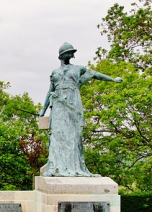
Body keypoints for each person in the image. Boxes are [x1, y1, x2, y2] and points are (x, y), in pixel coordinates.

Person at [38, 42, 122, 177]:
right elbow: (50, 92)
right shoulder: (55, 72)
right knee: (59, 135)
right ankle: (57, 166)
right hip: (58, 103)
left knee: (73, 135)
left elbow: (95, 74)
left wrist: (113, 79)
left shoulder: (78, 68)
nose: (72, 55)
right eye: (69, 52)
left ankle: (74, 167)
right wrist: (43, 110)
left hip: (73, 101)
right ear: (62, 55)